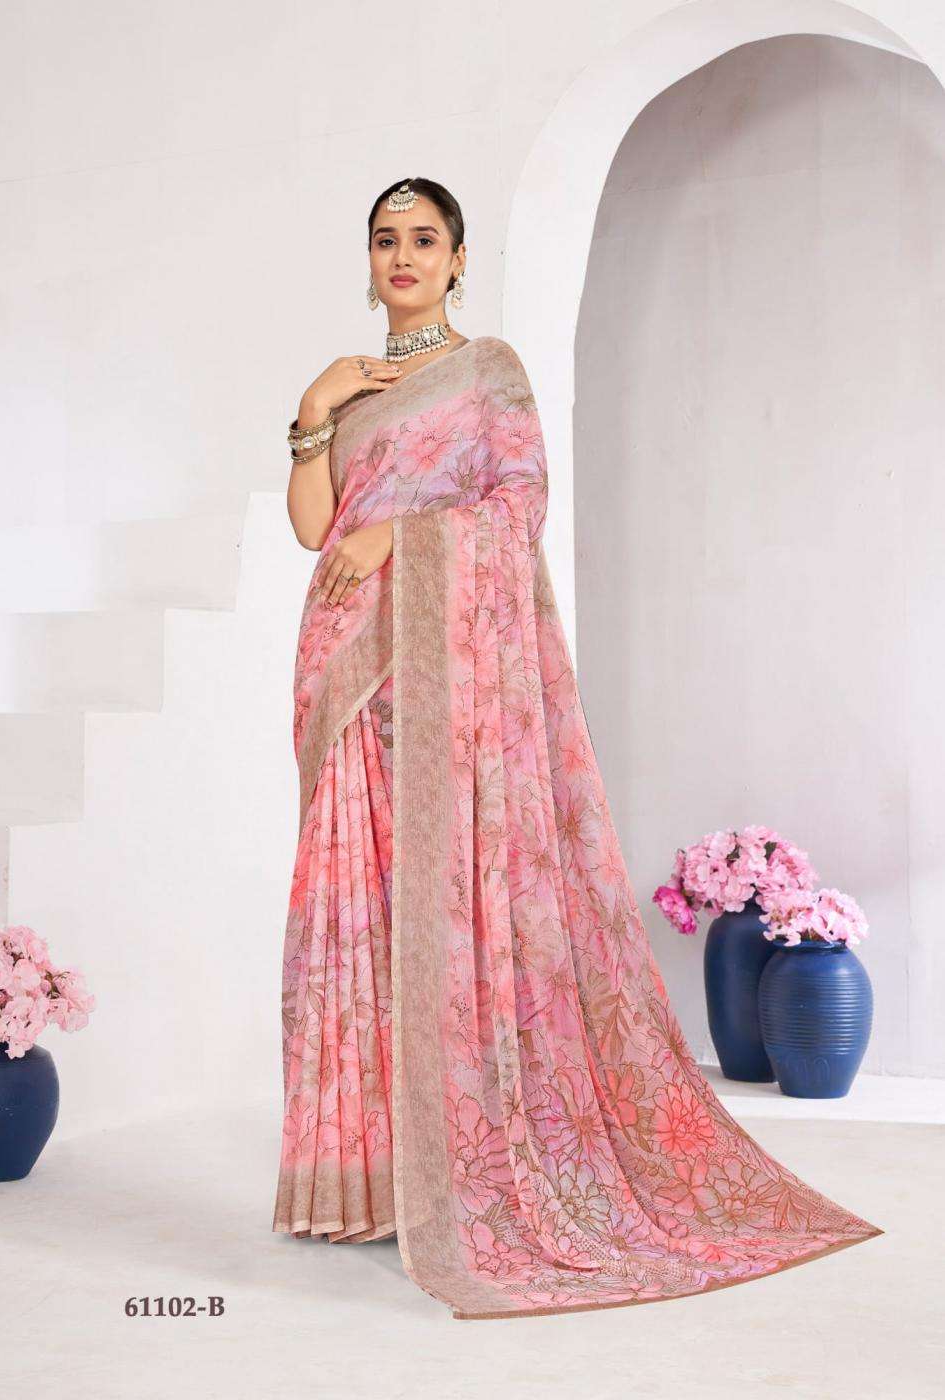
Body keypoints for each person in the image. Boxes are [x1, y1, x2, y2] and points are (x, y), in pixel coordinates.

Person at [272, 175, 883, 1320]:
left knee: (455, 909)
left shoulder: (487, 372)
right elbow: (315, 528)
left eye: (424, 238)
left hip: (447, 674)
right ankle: (367, 1180)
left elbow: (517, 505)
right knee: (359, 913)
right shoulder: (349, 387)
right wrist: (314, 405)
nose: (403, 255)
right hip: (350, 673)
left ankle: (474, 1164)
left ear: (458, 260)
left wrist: (402, 534)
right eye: (385, 239)